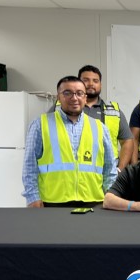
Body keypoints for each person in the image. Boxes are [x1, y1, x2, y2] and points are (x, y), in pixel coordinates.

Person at [22, 76, 116, 208]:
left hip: (94, 202)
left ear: (85, 97)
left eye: (79, 93)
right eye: (67, 93)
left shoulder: (100, 128)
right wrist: (33, 198)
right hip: (52, 203)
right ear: (58, 97)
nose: (74, 98)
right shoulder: (40, 125)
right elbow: (29, 166)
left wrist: (112, 197)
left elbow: (110, 169)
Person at [48, 66, 133, 171]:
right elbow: (45, 137)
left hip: (105, 172)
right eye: (86, 80)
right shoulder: (59, 107)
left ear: (101, 85)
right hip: (67, 172)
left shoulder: (114, 111)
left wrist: (119, 170)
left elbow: (127, 141)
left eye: (95, 81)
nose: (91, 84)